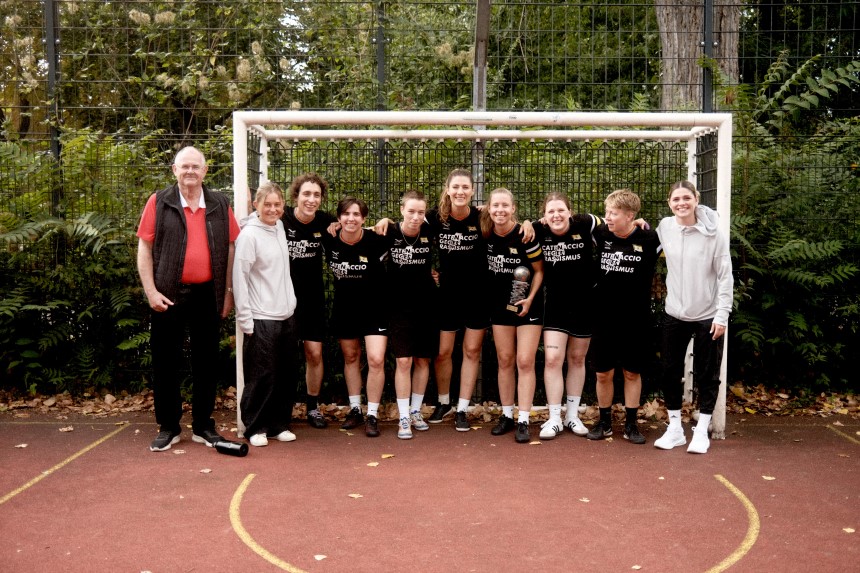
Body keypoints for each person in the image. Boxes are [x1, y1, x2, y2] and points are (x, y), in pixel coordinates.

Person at [136, 146, 240, 452]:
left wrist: (228, 292)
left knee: (207, 362)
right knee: (166, 362)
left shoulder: (220, 203)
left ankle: (203, 426)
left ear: (205, 171)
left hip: (208, 292)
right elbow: (144, 247)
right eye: (185, 167)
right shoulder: (159, 201)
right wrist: (151, 291)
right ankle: (169, 427)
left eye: (196, 166)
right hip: (168, 293)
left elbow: (232, 247)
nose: (190, 171)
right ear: (174, 170)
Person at [654, 180, 733, 454]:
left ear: (696, 199)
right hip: (675, 312)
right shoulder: (665, 227)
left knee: (707, 375)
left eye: (686, 198)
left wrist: (722, 315)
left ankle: (702, 431)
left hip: (708, 315)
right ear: (669, 203)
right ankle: (675, 428)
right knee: (669, 371)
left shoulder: (714, 235)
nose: (681, 203)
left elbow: (725, 276)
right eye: (676, 199)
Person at [587, 189, 661, 445]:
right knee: (603, 374)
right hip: (603, 318)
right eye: (606, 212)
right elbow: (574, 221)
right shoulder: (600, 234)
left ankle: (631, 424)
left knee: (632, 373)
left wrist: (647, 224)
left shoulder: (650, 238)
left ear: (630, 216)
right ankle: (605, 422)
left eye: (614, 213)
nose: (608, 217)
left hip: (636, 320)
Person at [233, 182, 299, 446]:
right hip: (261, 317)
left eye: (277, 204)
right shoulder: (249, 236)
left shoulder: (280, 226)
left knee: (285, 374)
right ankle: (255, 427)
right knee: (262, 375)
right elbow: (240, 278)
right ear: (256, 206)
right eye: (267, 204)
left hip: (286, 315)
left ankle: (278, 424)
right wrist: (245, 319)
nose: (272, 209)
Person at [534, 192, 602, 440]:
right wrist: (523, 224)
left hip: (584, 305)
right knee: (552, 358)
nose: (556, 215)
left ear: (569, 212)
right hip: (555, 306)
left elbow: (615, 224)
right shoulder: (537, 230)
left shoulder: (586, 224)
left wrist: (639, 223)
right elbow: (514, 230)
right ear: (544, 215)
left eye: (561, 210)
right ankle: (554, 418)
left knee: (576, 358)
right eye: (551, 211)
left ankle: (572, 416)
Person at [481, 188, 544, 443]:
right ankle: (507, 415)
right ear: (489, 208)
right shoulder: (485, 234)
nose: (500, 210)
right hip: (499, 308)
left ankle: (524, 419)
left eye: (505, 205)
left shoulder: (526, 235)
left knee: (525, 361)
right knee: (505, 360)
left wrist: (529, 298)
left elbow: (539, 271)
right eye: (495, 205)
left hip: (527, 306)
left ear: (513, 208)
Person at [323, 196, 389, 437]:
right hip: (345, 308)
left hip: (375, 309)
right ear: (339, 218)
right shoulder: (328, 240)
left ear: (364, 218)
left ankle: (372, 413)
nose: (351, 218)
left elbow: (401, 229)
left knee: (376, 359)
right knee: (351, 357)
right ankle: (355, 410)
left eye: (356, 214)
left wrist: (386, 220)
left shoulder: (376, 240)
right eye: (346, 214)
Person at [380, 190, 439, 439]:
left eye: (421, 212)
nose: (416, 216)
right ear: (402, 210)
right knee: (403, 361)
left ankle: (416, 411)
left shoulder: (429, 231)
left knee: (423, 360)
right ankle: (403, 416)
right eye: (411, 211)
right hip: (398, 307)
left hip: (426, 304)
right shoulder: (388, 232)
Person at [282, 172, 335, 429]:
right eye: (306, 194)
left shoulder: (326, 222)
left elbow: (354, 227)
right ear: (296, 195)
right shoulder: (282, 218)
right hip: (282, 299)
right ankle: (282, 407)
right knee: (285, 356)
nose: (311, 199)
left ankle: (312, 407)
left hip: (313, 299)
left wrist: (381, 223)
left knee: (314, 353)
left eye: (316, 195)